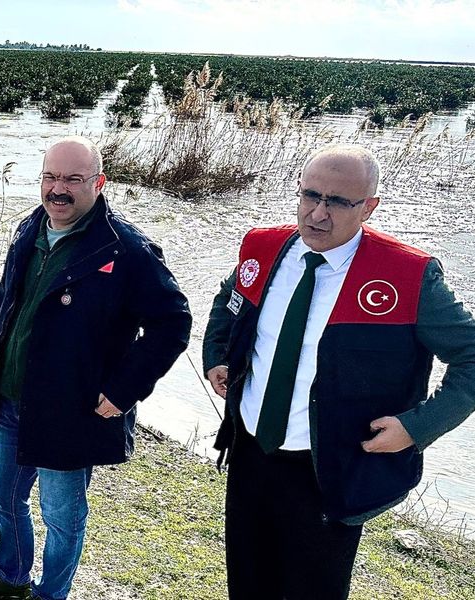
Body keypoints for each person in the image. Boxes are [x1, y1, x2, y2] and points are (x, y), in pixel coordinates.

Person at [203, 144, 475, 600]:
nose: (317, 214)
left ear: (369, 207)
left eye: (338, 202)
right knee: (247, 582)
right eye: (310, 196)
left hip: (331, 466)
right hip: (250, 449)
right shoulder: (263, 247)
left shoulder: (408, 275)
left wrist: (416, 427)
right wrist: (217, 355)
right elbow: (229, 302)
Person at [0, 137, 192, 600]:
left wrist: (125, 390)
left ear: (99, 183)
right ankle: (12, 579)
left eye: (73, 179)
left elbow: (173, 323)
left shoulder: (126, 249)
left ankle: (51, 595)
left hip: (73, 407)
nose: (58, 189)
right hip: (11, 397)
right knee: (2, 495)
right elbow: (8, 304)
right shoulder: (31, 229)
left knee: (61, 517)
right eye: (51, 177)